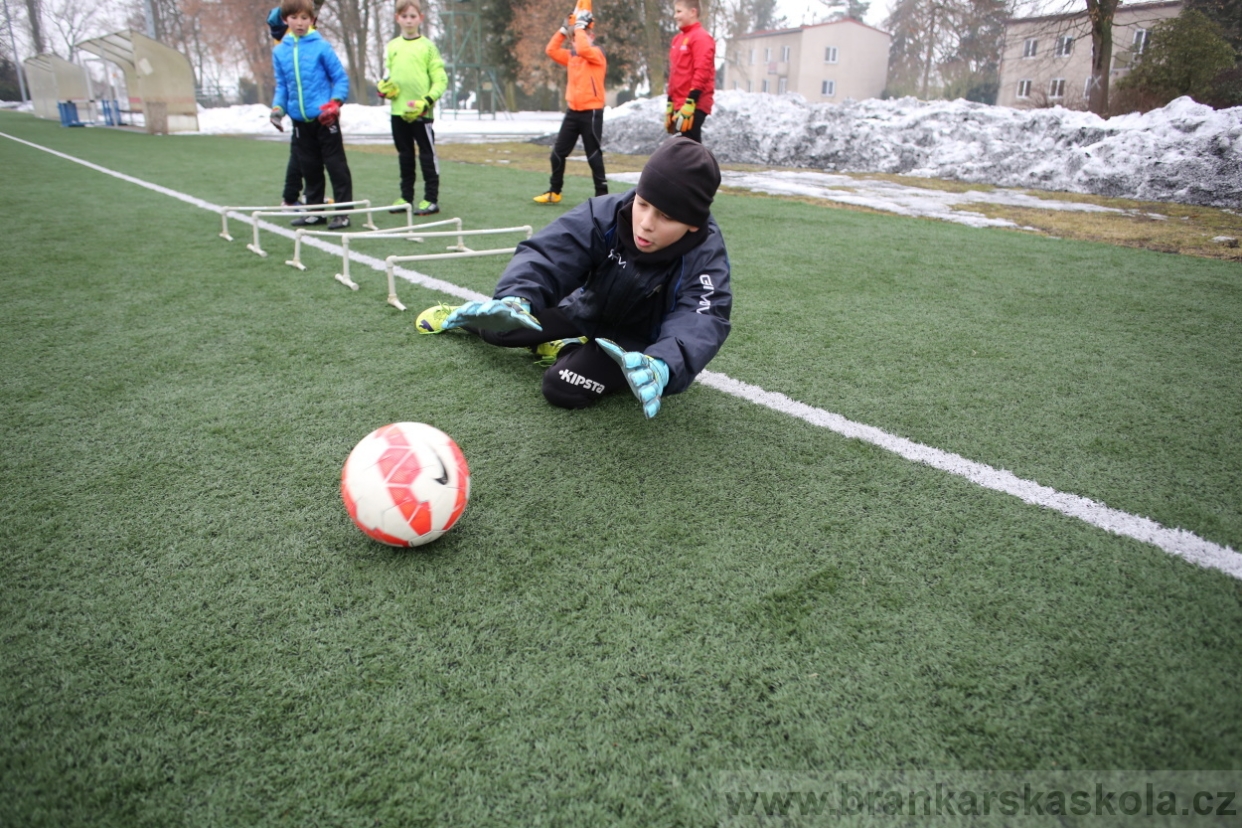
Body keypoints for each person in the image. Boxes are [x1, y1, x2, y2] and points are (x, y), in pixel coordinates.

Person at [414, 136, 730, 420]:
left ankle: (567, 349)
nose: (645, 223)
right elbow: (553, 251)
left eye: (666, 216)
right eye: (643, 204)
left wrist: (662, 363)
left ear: (692, 224)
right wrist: (518, 295)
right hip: (586, 308)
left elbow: (702, 319)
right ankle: (460, 317)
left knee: (562, 386)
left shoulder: (705, 255)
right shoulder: (609, 212)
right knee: (503, 328)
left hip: (633, 346)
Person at [270, 0, 354, 229]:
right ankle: (315, 212)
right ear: (285, 19)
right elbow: (282, 86)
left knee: (336, 165)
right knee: (309, 167)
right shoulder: (280, 51)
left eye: (304, 18)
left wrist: (335, 103)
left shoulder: (321, 46)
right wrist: (278, 109)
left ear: (312, 20)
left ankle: (343, 213)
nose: (299, 23)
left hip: (325, 118)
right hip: (300, 120)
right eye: (294, 18)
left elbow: (340, 78)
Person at [377, 0, 447, 216]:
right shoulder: (393, 46)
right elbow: (389, 76)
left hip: (421, 114)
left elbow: (440, 80)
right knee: (404, 156)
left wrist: (425, 101)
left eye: (413, 16)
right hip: (398, 113)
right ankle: (405, 197)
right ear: (397, 18)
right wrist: (384, 88)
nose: (408, 20)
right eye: (404, 16)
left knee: (427, 156)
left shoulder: (427, 47)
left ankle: (431, 199)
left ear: (420, 19)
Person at [532, 6, 608, 205]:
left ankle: (603, 195)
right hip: (573, 112)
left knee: (593, 156)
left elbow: (584, 48)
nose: (576, 41)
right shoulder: (572, 56)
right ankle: (554, 191)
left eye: (581, 36)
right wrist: (564, 30)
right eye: (573, 38)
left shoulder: (597, 54)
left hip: (591, 112)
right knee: (557, 154)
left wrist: (580, 27)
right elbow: (551, 50)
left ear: (592, 36)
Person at [266, 0, 326, 208]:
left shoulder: (307, 20)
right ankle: (291, 197)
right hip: (297, 93)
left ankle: (307, 195)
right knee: (300, 150)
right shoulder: (287, 18)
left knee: (307, 150)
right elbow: (275, 18)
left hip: (308, 93)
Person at [664, 0, 715, 144]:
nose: (675, 16)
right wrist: (670, 103)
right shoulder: (677, 40)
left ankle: (704, 166)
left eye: (679, 12)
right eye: (675, 12)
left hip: (694, 103)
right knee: (686, 147)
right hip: (679, 103)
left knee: (686, 147)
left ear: (693, 12)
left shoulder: (701, 38)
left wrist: (691, 102)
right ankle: (702, 166)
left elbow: (702, 72)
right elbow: (674, 75)